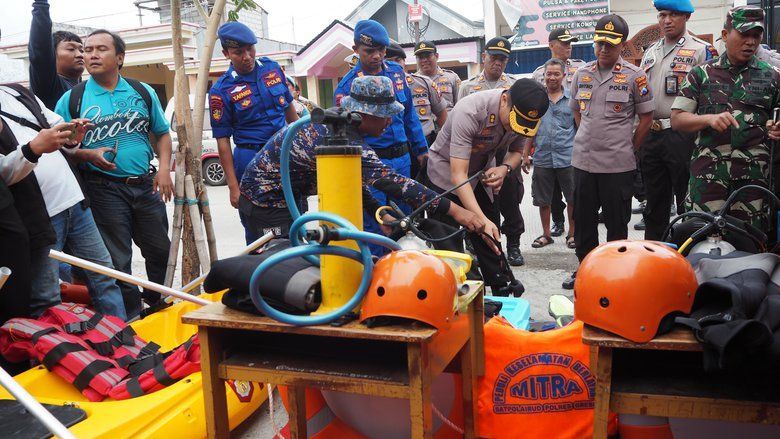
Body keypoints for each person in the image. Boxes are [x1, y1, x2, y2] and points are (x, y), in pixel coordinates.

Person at [239, 75, 487, 242]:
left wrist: (379, 211)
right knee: (283, 268)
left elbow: (354, 180)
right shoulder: (336, 133)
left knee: (300, 256)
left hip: (290, 198)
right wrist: (456, 211)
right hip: (265, 202)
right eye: (385, 115)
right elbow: (390, 181)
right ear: (363, 114)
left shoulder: (346, 132)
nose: (390, 121)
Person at [55, 29, 173, 320]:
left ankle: (157, 305)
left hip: (146, 186)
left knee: (160, 251)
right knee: (118, 261)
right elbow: (60, 150)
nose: (91, 54)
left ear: (119, 57)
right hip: (103, 190)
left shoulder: (142, 91)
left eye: (101, 49)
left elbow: (162, 133)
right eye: (87, 49)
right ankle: (132, 318)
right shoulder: (71, 100)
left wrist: (165, 171)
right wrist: (87, 153)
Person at [1, 84, 127, 320]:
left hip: (74, 201)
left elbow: (56, 125)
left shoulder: (17, 92)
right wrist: (33, 149)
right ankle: (56, 354)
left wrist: (71, 135)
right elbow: (3, 175)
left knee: (104, 278)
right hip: (39, 219)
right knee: (47, 298)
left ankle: (126, 347)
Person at [424, 78, 549, 296]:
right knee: (450, 241)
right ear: (504, 100)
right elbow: (458, 175)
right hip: (446, 175)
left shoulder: (523, 117)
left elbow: (517, 152)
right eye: (513, 121)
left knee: (491, 232)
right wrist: (478, 220)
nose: (514, 128)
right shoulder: (471, 111)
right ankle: (461, 295)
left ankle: (500, 285)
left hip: (481, 172)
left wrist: (504, 169)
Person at [564, 14, 655, 290]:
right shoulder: (582, 74)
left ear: (622, 45)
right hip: (583, 164)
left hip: (618, 167)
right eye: (600, 42)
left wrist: (628, 147)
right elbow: (578, 115)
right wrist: (589, 138)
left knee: (617, 225)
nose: (604, 49)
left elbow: (647, 119)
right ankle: (586, 270)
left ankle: (615, 275)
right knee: (584, 224)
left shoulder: (635, 76)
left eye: (610, 44)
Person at [671, 5, 780, 232]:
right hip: (708, 180)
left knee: (750, 245)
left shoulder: (773, 76)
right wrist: (708, 119)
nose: (750, 42)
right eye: (743, 34)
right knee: (701, 243)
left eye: (755, 35)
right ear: (724, 35)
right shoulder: (700, 74)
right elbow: (677, 119)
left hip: (753, 183)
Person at [334, 20, 428, 255]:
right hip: (372, 165)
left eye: (381, 50)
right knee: (376, 223)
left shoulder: (397, 73)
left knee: (406, 220)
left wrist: (422, 149)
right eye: (369, 51)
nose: (376, 56)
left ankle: (406, 267)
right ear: (355, 50)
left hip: (402, 160)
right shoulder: (348, 88)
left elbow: (409, 115)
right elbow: (348, 136)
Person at [209, 21, 299, 244]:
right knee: (257, 225)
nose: (247, 56)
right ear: (226, 53)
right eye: (238, 52)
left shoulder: (272, 69)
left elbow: (291, 115)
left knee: (295, 214)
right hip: (251, 160)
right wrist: (232, 187)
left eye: (250, 49)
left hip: (283, 154)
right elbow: (223, 142)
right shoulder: (221, 90)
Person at [638, 0, 717, 241]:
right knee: (654, 205)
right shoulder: (650, 51)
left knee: (688, 201)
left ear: (686, 18)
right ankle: (654, 256)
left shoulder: (701, 50)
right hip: (652, 135)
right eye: (662, 15)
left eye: (673, 15)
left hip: (684, 136)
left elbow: (711, 97)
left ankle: (687, 257)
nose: (667, 20)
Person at [459, 36, 525, 266]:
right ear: (484, 57)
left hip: (505, 153)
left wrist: (515, 160)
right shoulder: (468, 87)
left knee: (510, 201)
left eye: (503, 59)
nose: (498, 63)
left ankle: (514, 245)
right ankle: (481, 244)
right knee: (480, 201)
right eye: (494, 58)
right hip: (478, 154)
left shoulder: (516, 86)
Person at [532, 28, 586, 239]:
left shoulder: (582, 69)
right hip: (545, 150)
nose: (568, 46)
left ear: (563, 76)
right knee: (548, 197)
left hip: (568, 150)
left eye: (570, 43)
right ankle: (556, 225)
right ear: (551, 45)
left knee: (572, 194)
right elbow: (533, 115)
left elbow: (580, 116)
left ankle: (572, 232)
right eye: (564, 43)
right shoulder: (537, 73)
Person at [523, 58, 576, 249]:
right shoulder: (537, 100)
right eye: (548, 74)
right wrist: (524, 154)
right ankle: (546, 234)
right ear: (543, 76)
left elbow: (578, 128)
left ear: (564, 76)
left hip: (567, 157)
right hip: (543, 157)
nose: (552, 77)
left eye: (556, 74)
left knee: (572, 198)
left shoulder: (572, 99)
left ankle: (572, 234)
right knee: (542, 199)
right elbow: (530, 128)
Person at [384, 41, 447, 178]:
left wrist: (443, 145)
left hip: (427, 144)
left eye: (398, 60)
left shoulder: (424, 82)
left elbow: (442, 115)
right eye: (390, 61)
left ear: (404, 62)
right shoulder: (378, 87)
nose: (396, 64)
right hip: (397, 149)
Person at [28, 0, 84, 110]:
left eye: (82, 50)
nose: (80, 55)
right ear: (52, 55)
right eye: (71, 49)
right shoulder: (49, 83)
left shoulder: (87, 88)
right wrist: (41, 4)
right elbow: (40, 49)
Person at [414, 41, 461, 110]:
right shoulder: (413, 81)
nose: (424, 60)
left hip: (448, 120)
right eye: (420, 57)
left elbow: (460, 105)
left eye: (428, 56)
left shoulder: (451, 77)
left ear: (436, 56)